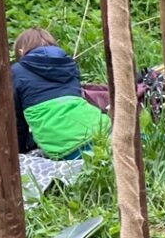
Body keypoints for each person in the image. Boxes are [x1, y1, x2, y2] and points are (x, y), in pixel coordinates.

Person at [11, 27, 112, 159]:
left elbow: (17, 121)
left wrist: (19, 153)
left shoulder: (16, 71)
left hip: (66, 146)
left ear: (21, 50)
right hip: (104, 130)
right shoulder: (70, 64)